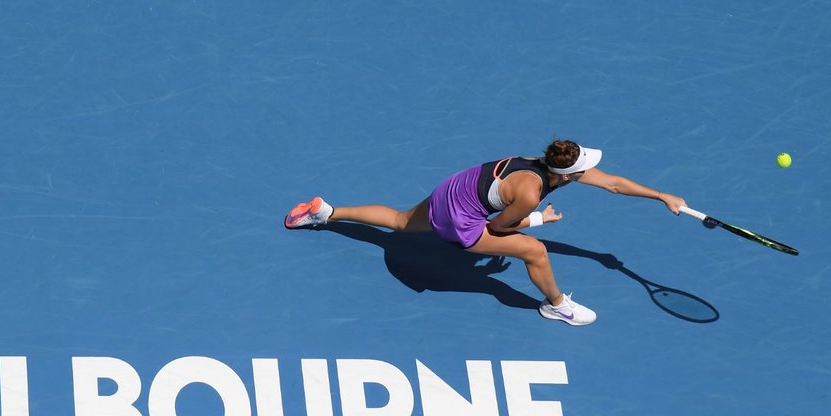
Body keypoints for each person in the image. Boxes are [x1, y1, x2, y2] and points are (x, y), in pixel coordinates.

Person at [283, 139, 687, 326]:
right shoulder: (529, 194)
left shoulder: (540, 162)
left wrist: (660, 195)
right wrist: (539, 222)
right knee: (534, 252)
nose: (589, 173)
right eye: (584, 170)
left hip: (454, 189)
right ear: (568, 175)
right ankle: (557, 305)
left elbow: (613, 183)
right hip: (462, 218)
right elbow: (498, 227)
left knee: (403, 221)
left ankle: (327, 213)